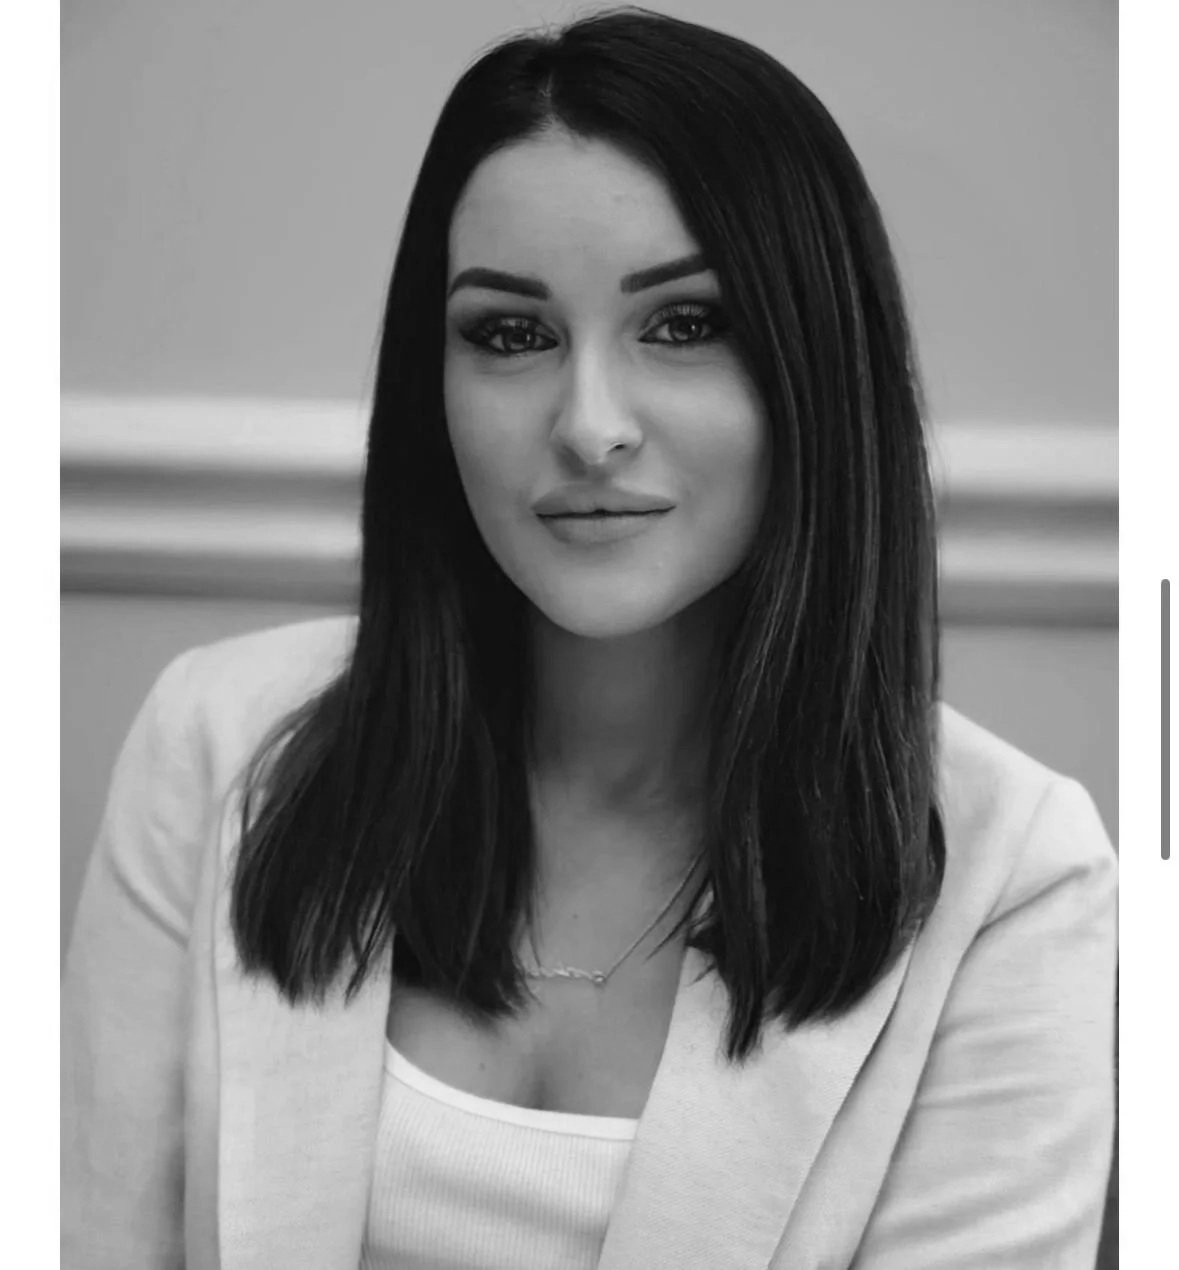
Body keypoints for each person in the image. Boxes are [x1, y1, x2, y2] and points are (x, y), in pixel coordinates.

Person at [61, 8, 1117, 1268]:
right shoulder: (218, 742)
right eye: (512, 334)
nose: (591, 424)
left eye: (683, 326)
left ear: (814, 370)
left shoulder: (1016, 879)